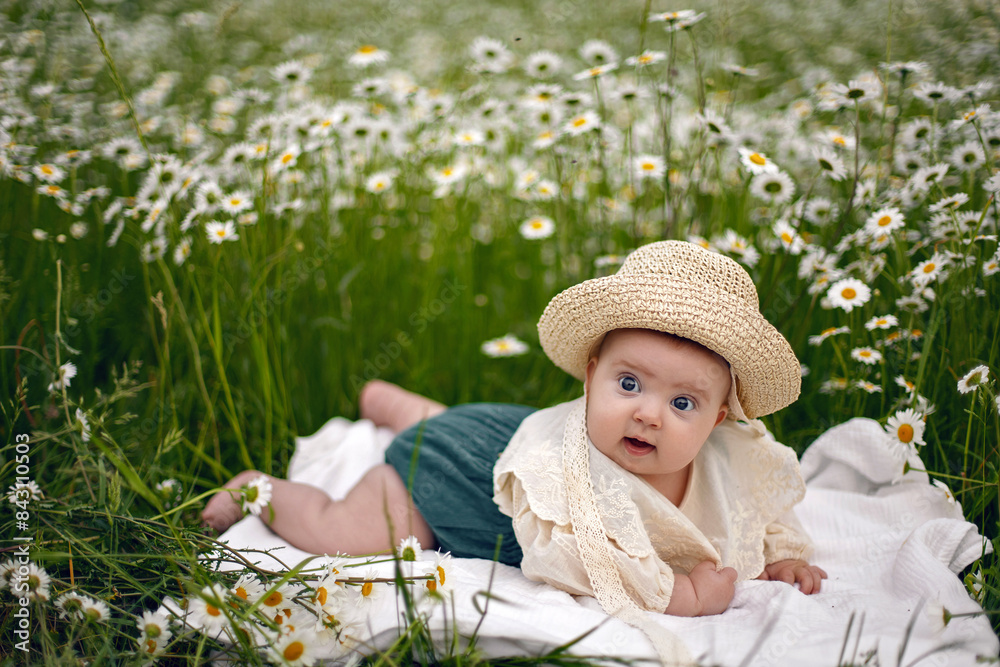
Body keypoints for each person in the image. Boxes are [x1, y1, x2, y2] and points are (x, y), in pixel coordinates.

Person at [202, 240, 826, 623]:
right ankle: (262, 487)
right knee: (350, 532)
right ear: (590, 376)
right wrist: (682, 595)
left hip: (494, 431)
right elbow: (580, 563)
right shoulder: (567, 476)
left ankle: (389, 402)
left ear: (719, 420)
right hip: (452, 484)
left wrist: (782, 553)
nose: (648, 414)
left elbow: (755, 502)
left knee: (455, 420)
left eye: (683, 402)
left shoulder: (729, 456)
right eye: (628, 384)